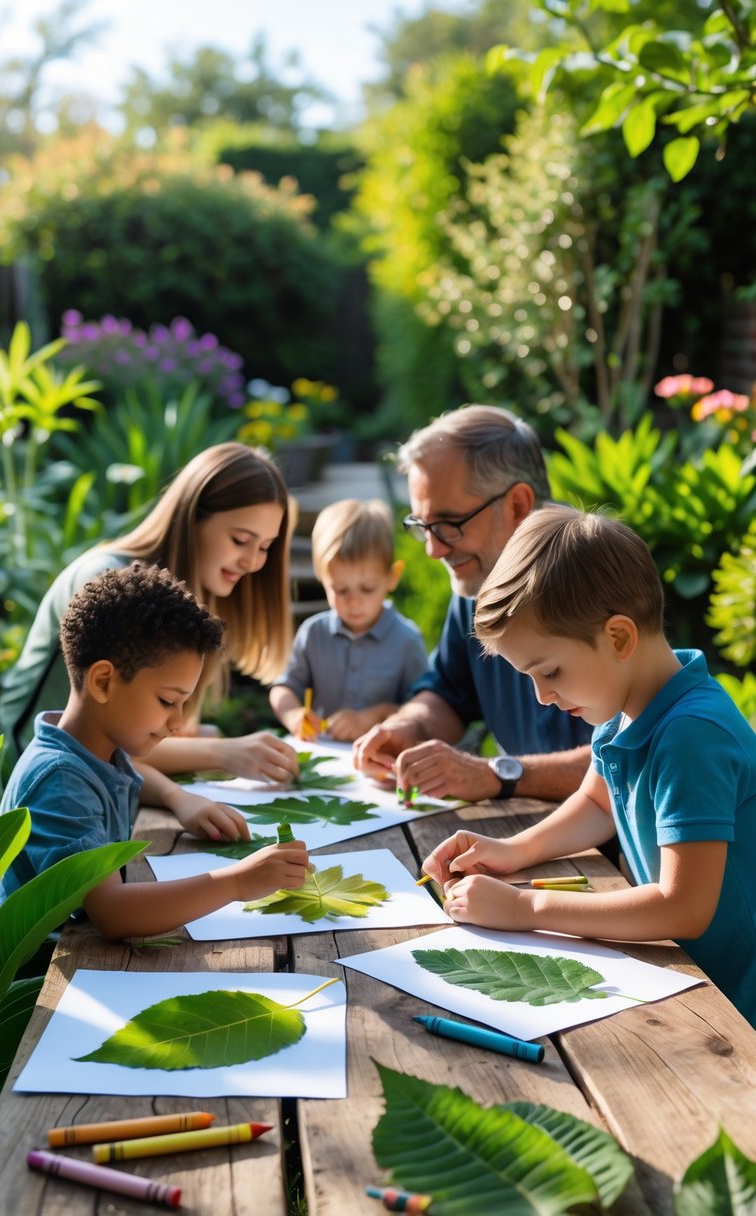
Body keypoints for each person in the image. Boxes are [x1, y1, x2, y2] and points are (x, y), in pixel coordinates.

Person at [422, 507, 756, 1026]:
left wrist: (523, 909)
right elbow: (599, 803)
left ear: (619, 638)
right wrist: (513, 850)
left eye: (549, 670)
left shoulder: (692, 735)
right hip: (692, 983)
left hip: (739, 1004)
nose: (542, 696)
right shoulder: (625, 708)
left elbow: (683, 907)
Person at [0, 564, 310, 940]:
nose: (178, 722)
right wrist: (237, 883)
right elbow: (114, 911)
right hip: (43, 981)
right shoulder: (59, 780)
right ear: (103, 681)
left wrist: (177, 797)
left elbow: (129, 778)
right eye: (167, 701)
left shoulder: (95, 744)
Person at [0, 442, 300, 786]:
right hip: (38, 781)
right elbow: (108, 739)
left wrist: (204, 740)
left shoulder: (198, 592)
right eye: (240, 539)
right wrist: (222, 751)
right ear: (192, 518)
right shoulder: (110, 581)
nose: (253, 562)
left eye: (264, 547)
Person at [352, 405, 592, 802]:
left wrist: (497, 775)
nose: (433, 549)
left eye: (448, 524)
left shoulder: (593, 583)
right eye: (422, 526)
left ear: (517, 505)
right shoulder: (483, 575)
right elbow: (449, 693)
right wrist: (408, 728)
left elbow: (629, 756)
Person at [269, 498, 428, 741]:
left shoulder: (406, 640)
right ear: (322, 579)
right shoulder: (313, 633)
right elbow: (284, 688)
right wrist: (293, 715)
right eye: (341, 589)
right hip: (325, 753)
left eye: (367, 588)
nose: (354, 602)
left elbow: (423, 711)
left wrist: (372, 717)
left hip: (381, 762)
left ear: (392, 577)